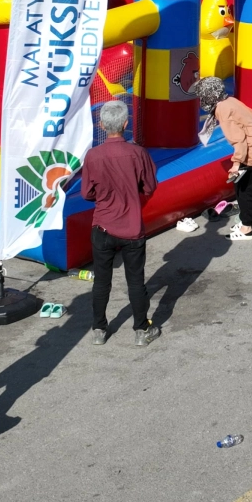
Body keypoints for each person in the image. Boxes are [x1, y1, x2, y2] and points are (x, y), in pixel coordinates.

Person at [81, 101, 160, 346]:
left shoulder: (93, 156)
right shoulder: (138, 153)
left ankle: (99, 330)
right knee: (135, 280)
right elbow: (150, 187)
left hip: (102, 226)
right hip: (132, 228)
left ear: (102, 125)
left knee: (102, 281)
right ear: (126, 125)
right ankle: (140, 330)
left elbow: (86, 193)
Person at [195, 76, 252, 240]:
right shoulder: (229, 100)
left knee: (246, 190)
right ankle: (246, 221)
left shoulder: (222, 109)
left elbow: (238, 140)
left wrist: (236, 163)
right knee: (242, 187)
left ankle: (247, 228)